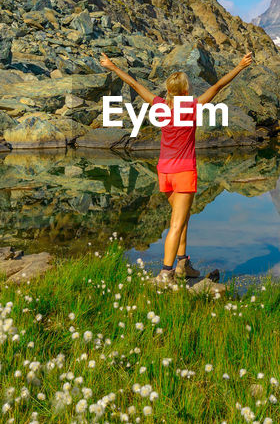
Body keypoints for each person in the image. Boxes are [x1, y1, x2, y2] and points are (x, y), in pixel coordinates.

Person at [99, 50, 254, 283]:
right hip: (183, 172)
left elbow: (134, 83)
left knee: (181, 218)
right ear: (184, 91)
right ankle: (165, 272)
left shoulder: (160, 105)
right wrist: (240, 66)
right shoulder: (191, 106)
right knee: (176, 223)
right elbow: (219, 85)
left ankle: (183, 264)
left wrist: (112, 66)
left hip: (164, 172)